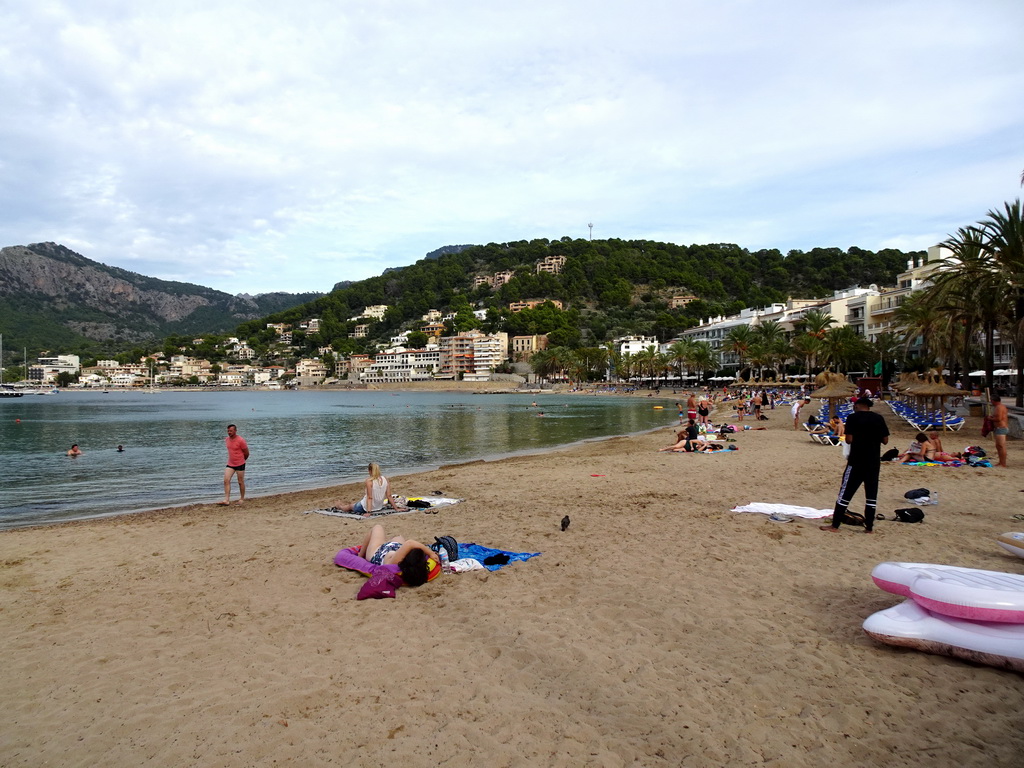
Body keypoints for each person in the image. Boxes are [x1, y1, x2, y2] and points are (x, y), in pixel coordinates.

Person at [821, 397, 889, 534]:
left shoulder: (853, 418)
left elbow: (849, 439)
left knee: (845, 493)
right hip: (874, 461)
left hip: (857, 460)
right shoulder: (879, 418)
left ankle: (835, 525)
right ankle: (869, 527)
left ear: (858, 405)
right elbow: (885, 440)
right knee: (871, 495)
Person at [357, 524, 439, 587]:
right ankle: (390, 541)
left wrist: (430, 553)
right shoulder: (408, 562)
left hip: (378, 553)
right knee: (399, 537)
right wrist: (431, 553)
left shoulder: (396, 561)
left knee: (377, 527)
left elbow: (410, 543)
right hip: (394, 549)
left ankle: (360, 555)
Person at [336, 462, 407, 516]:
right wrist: (396, 509)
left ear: (370, 471)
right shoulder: (385, 479)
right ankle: (341, 505)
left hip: (365, 507)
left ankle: (340, 507)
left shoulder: (369, 481)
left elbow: (370, 497)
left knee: (350, 506)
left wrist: (369, 512)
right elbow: (389, 496)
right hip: (378, 507)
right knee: (354, 504)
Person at [220, 424, 249, 506]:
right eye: (228, 431)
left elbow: (247, 453)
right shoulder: (227, 440)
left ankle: (242, 498)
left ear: (235, 431)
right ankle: (226, 500)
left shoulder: (241, 440)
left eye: (231, 431)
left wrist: (242, 461)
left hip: (240, 463)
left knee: (240, 482)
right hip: (230, 464)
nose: (229, 432)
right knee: (226, 480)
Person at [991, 395, 1009, 468]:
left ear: (994, 401)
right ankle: (1000, 462)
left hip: (1001, 428)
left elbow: (998, 419)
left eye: (991, 400)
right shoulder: (999, 407)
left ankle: (1003, 463)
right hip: (999, 428)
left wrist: (990, 418)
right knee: (998, 446)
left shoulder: (999, 407)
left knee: (1001, 446)